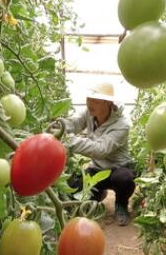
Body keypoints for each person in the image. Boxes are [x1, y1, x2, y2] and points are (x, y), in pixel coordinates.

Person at [60, 82, 136, 226]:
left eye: (95, 100)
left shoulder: (122, 125)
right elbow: (74, 124)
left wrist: (69, 141)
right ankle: (99, 193)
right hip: (97, 169)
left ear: (107, 103)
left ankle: (121, 204)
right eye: (88, 98)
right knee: (74, 192)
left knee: (125, 179)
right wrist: (59, 127)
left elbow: (100, 150)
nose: (89, 103)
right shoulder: (89, 113)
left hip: (117, 169)